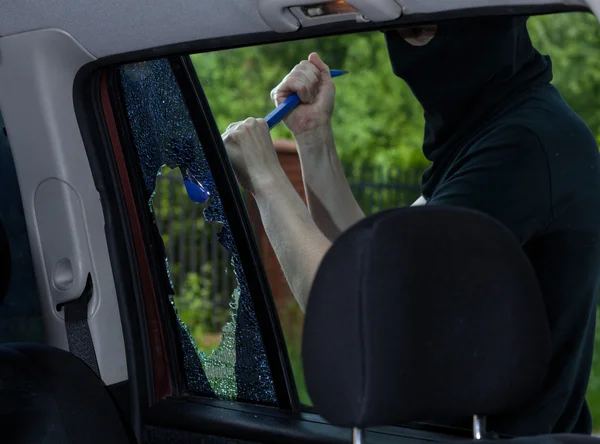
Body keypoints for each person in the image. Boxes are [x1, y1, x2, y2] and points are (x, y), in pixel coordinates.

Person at [222, 15, 600, 436]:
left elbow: (358, 314)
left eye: (423, 29)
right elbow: (371, 262)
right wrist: (312, 136)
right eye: (400, 32)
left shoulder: (522, 147)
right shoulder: (493, 130)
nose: (408, 50)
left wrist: (266, 181)